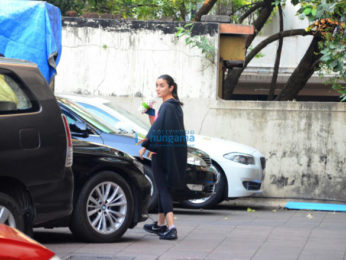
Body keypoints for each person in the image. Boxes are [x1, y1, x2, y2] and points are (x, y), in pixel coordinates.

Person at [139, 74, 187, 240]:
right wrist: (151, 113)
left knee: (164, 189)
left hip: (162, 154)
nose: (158, 89)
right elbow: (159, 126)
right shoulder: (172, 106)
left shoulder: (168, 106)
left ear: (171, 87)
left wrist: (145, 144)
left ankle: (171, 227)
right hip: (169, 153)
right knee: (162, 188)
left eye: (162, 85)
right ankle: (160, 225)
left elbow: (158, 129)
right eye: (157, 85)